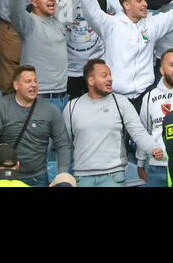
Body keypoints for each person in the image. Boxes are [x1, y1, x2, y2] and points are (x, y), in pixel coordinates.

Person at [62, 59, 162, 187]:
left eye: (110, 75)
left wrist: (152, 148)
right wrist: (63, 174)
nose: (110, 79)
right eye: (104, 76)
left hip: (113, 176)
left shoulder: (121, 102)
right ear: (91, 81)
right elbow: (65, 145)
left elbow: (138, 131)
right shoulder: (71, 107)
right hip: (82, 178)